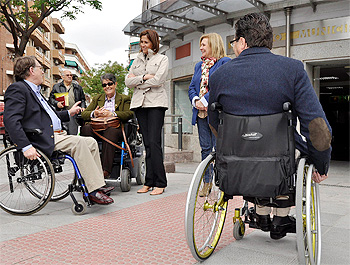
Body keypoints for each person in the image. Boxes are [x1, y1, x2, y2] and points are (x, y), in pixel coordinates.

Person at [208, 13, 332, 239]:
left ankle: (261, 212)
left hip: (236, 163)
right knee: (293, 152)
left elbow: (214, 123)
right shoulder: (292, 69)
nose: (234, 47)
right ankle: (281, 217)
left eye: (234, 42)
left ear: (243, 41)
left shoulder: (219, 76)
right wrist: (320, 163)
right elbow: (317, 127)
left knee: (250, 151)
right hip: (279, 162)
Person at [4, 56, 114, 205]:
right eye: (41, 69)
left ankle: (96, 185)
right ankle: (92, 191)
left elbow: (49, 115)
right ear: (31, 70)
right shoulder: (18, 89)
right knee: (79, 143)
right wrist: (25, 146)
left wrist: (70, 113)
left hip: (55, 134)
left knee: (91, 142)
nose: (43, 72)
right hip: (41, 137)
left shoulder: (36, 91)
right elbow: (11, 120)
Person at [125, 29, 169, 195]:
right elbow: (127, 81)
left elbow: (159, 80)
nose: (142, 45)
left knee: (154, 142)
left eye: (146, 42)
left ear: (153, 43)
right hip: (139, 104)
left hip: (156, 104)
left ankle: (161, 182)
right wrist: (144, 78)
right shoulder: (137, 59)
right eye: (141, 42)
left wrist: (138, 81)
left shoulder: (162, 58)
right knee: (147, 144)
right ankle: (149, 181)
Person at [188, 33, 231, 197]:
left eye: (204, 44)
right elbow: (192, 87)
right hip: (200, 115)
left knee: (220, 149)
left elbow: (223, 85)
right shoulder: (199, 65)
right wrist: (196, 100)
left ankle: (223, 182)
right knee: (205, 150)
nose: (201, 48)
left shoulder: (224, 62)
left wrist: (205, 100)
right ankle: (207, 183)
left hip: (217, 114)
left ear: (213, 45)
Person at [80, 73, 134, 178]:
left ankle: (105, 171)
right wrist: (95, 113)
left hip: (115, 127)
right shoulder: (97, 98)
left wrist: (112, 114)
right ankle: (88, 167)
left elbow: (129, 113)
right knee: (85, 129)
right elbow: (84, 114)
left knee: (110, 132)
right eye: (104, 85)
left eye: (110, 84)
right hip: (98, 127)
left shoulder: (124, 98)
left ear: (115, 84)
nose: (107, 87)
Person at [49, 69, 86, 135]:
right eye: (67, 75)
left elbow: (82, 99)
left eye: (71, 75)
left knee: (72, 134)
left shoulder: (78, 87)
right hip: (62, 113)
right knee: (63, 134)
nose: (70, 76)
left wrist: (83, 107)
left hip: (74, 115)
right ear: (62, 77)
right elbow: (51, 99)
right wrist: (57, 103)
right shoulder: (56, 87)